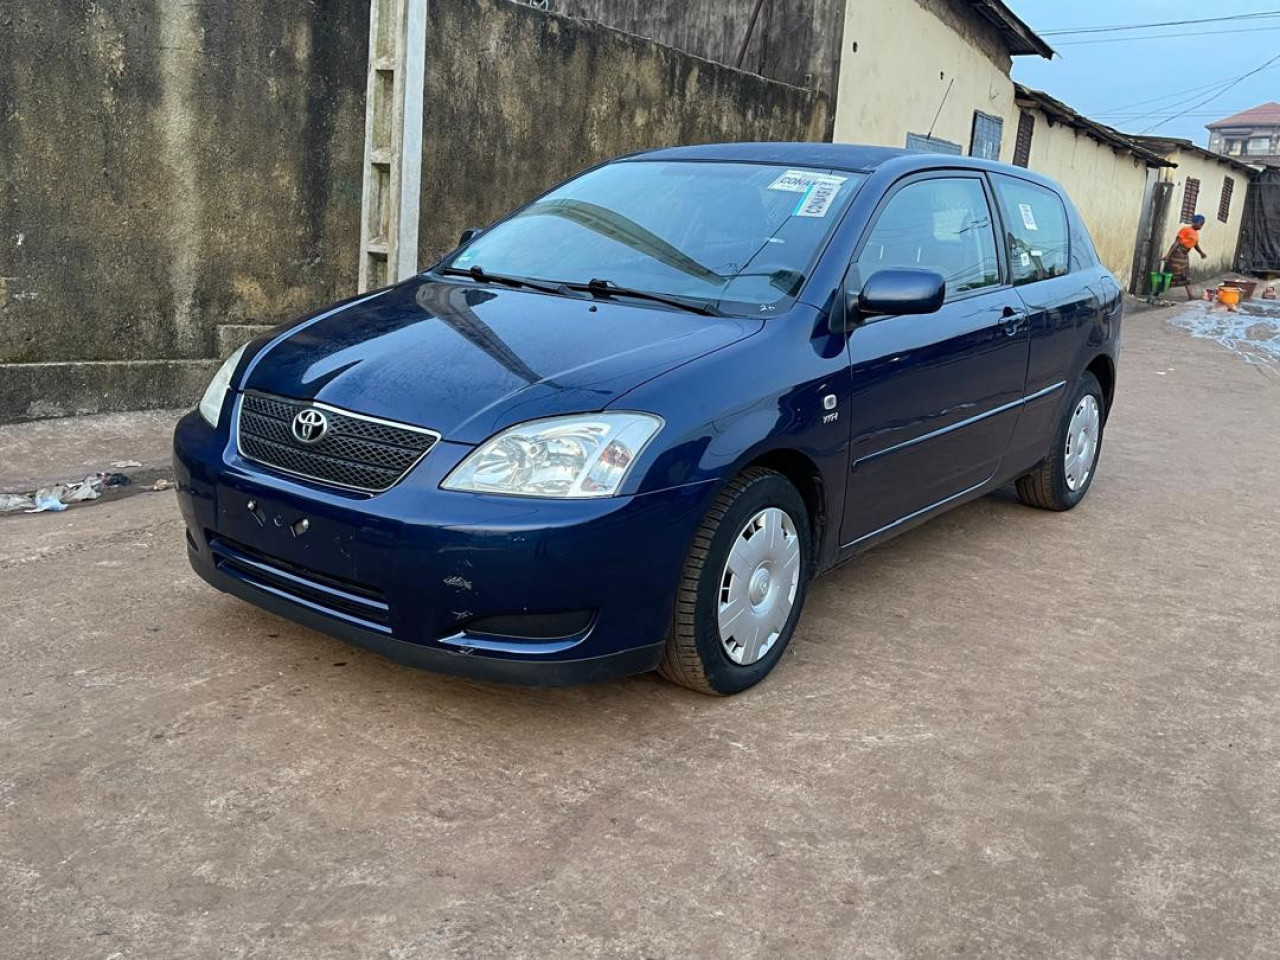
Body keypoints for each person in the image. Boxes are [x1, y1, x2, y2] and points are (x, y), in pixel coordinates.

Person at [1164, 214, 1207, 301]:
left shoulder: (1195, 234)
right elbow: (1176, 243)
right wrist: (1168, 255)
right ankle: (1167, 293)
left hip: (1184, 255)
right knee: (1174, 273)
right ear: (1196, 223)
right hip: (1177, 254)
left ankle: (1179, 295)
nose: (1201, 226)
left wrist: (1201, 253)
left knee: (1184, 275)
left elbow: (1195, 245)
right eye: (1201, 224)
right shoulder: (1185, 230)